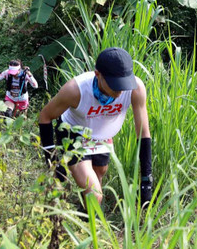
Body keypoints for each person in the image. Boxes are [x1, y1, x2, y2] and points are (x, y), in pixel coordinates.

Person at [38, 47, 153, 211]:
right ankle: (88, 230)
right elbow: (45, 116)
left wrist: (146, 180)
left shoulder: (136, 89)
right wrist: (54, 163)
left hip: (102, 136)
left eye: (123, 85)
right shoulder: (75, 90)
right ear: (98, 74)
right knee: (94, 193)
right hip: (74, 133)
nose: (119, 92)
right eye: (114, 86)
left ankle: (83, 222)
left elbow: (143, 133)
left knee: (99, 174)